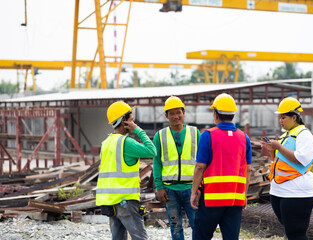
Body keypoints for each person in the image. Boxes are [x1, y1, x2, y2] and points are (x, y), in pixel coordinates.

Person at [190, 93, 252, 240]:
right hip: (234, 199)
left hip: (211, 198)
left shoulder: (208, 135)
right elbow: (248, 169)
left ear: (215, 114)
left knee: (201, 236)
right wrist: (244, 194)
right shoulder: (244, 137)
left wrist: (193, 192)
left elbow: (200, 167)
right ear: (233, 115)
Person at [96, 101, 156, 240]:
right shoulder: (126, 142)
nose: (133, 122)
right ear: (124, 120)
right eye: (131, 119)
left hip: (110, 202)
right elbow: (152, 151)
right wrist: (138, 130)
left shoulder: (106, 143)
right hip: (126, 202)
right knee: (140, 238)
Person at [262, 97, 313, 240]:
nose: (281, 120)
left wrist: (279, 147)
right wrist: (271, 149)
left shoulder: (304, 135)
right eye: (280, 117)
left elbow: (302, 159)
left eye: (284, 117)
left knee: (296, 232)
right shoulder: (285, 135)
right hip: (281, 189)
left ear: (294, 117)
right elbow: (281, 161)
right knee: (290, 229)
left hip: (297, 191)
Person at [152, 96, 201, 240]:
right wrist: (159, 186)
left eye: (178, 112)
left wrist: (199, 186)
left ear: (184, 112)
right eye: (171, 113)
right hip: (169, 190)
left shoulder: (195, 133)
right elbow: (157, 162)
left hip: (191, 189)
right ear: (166, 115)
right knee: (175, 227)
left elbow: (201, 162)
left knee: (197, 225)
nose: (176, 116)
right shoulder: (159, 136)